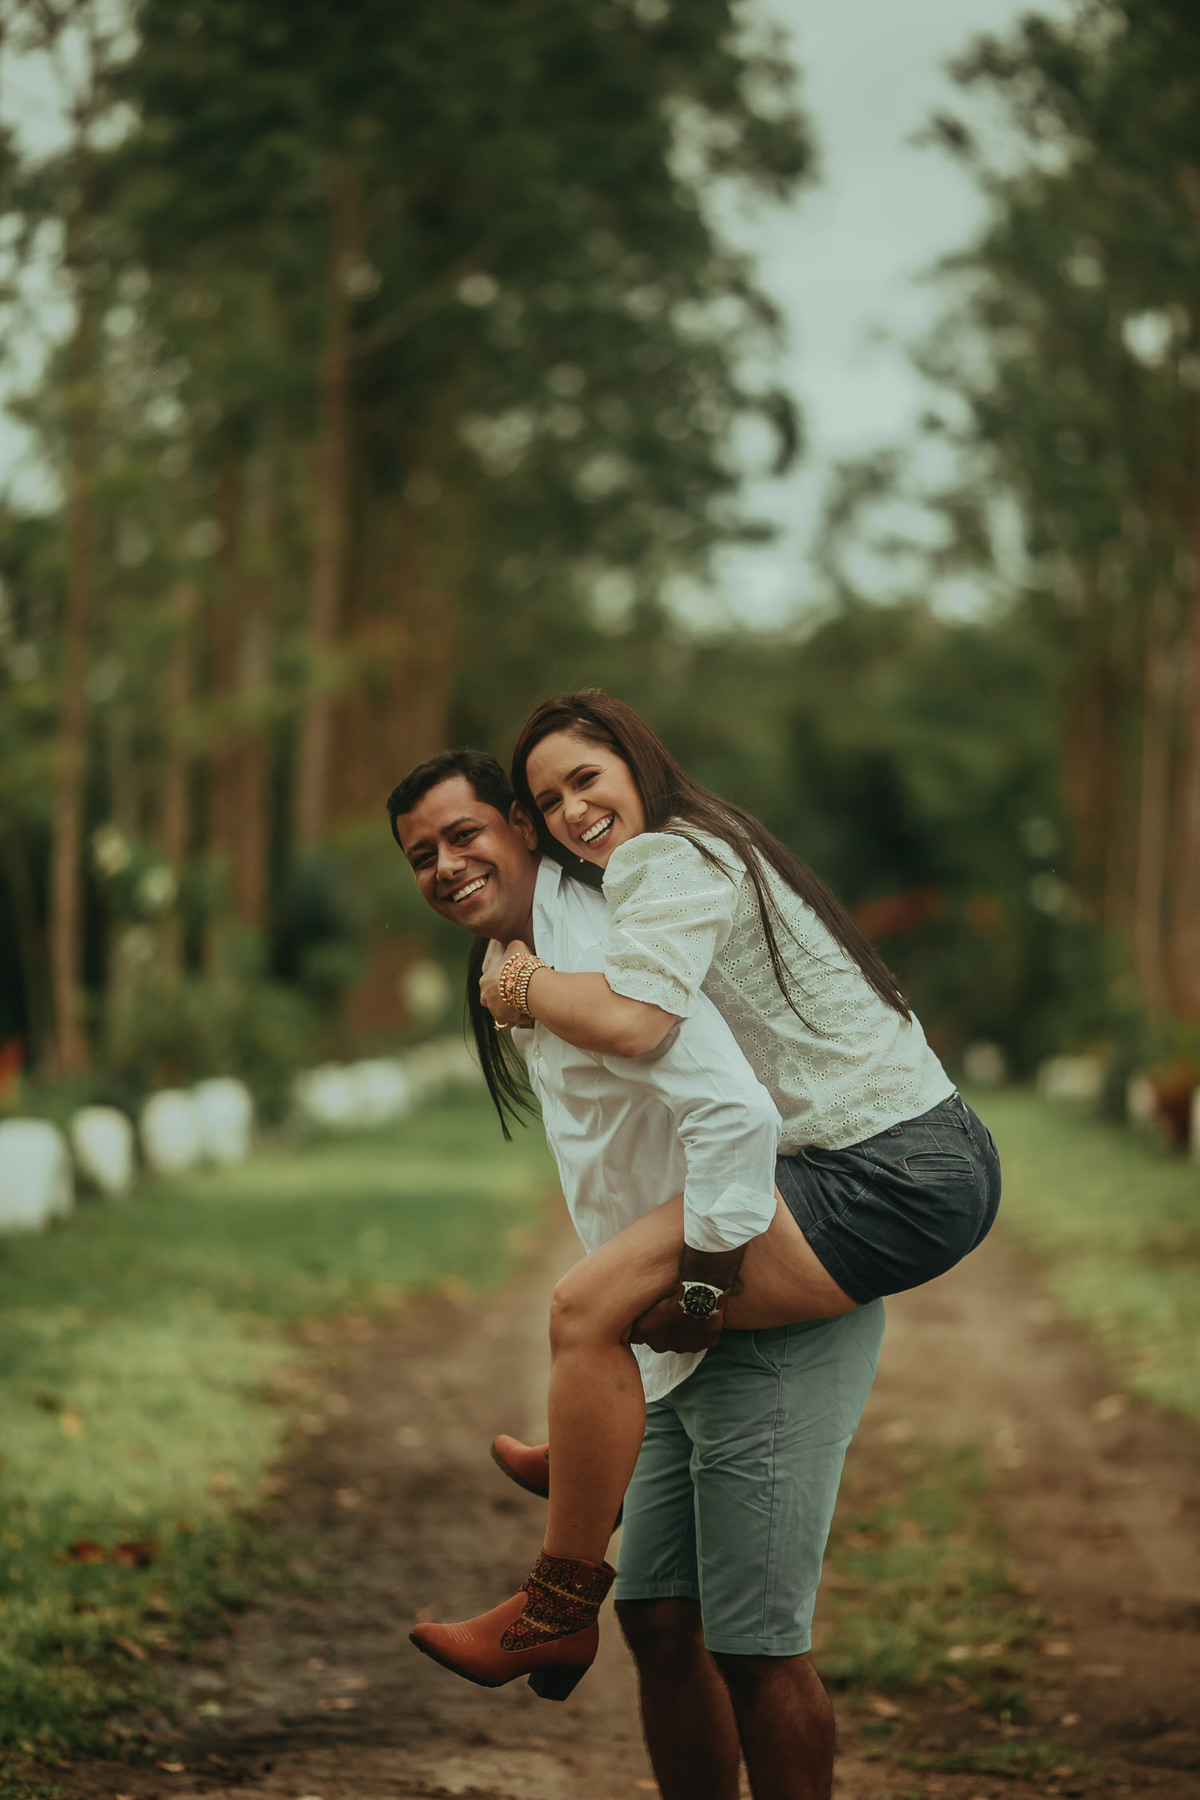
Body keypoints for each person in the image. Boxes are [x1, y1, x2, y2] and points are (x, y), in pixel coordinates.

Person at [388, 749, 886, 1800]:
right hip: (672, 1322)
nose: (445, 866)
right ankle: (584, 1464)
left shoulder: (606, 941)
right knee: (661, 1620)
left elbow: (733, 1113)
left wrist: (703, 1283)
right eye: (422, 856)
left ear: (523, 825)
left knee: (756, 1645)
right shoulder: (533, 951)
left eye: (464, 834)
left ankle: (551, 1597)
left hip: (753, 1299)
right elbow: (620, 1159)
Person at [479, 689, 1001, 1621]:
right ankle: (585, 1447)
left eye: (585, 780)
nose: (572, 813)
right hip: (920, 1149)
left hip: (887, 1169)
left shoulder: (665, 858)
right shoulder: (713, 840)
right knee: (613, 1298)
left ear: (638, 763)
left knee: (590, 1305)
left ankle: (551, 1611)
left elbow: (636, 1023)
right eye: (550, 803)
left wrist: (520, 981)